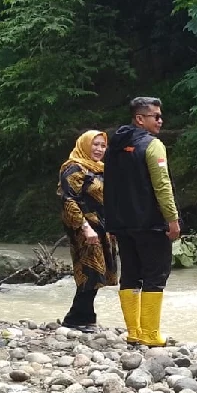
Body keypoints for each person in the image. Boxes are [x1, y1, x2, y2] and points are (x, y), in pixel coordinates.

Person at [104, 97, 181, 346]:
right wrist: (172, 218)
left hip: (122, 223)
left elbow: (111, 186)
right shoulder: (152, 145)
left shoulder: (115, 145)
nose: (160, 120)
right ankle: (150, 333)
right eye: (155, 116)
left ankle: (133, 332)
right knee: (155, 275)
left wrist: (111, 221)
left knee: (130, 274)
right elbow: (162, 185)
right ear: (140, 119)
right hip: (150, 223)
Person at [59, 130, 118, 333]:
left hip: (103, 227)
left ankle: (83, 315)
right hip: (83, 227)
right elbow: (68, 200)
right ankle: (77, 317)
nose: (99, 149)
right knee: (88, 271)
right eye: (95, 144)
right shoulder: (73, 167)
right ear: (84, 144)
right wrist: (84, 228)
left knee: (100, 271)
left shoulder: (101, 169)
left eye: (103, 145)